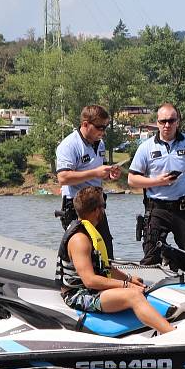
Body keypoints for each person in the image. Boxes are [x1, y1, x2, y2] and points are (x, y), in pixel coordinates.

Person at [56, 186, 175, 334]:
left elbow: (105, 268)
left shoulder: (88, 233)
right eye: (103, 206)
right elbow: (90, 281)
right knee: (134, 296)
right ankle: (173, 334)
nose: (104, 211)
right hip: (78, 296)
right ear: (97, 210)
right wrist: (127, 286)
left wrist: (130, 279)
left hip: (90, 290)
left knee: (145, 288)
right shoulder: (80, 239)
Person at [128, 103, 185, 265]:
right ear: (157, 122)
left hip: (183, 209)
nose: (167, 125)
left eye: (171, 121)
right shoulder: (146, 147)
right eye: (163, 121)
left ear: (177, 122)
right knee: (151, 257)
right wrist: (159, 181)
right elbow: (132, 179)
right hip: (157, 209)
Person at [56, 104, 120, 258]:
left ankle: (107, 279)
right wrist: (95, 173)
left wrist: (107, 174)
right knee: (83, 251)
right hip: (76, 206)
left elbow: (96, 173)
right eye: (99, 127)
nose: (103, 132)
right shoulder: (69, 145)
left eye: (105, 127)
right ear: (85, 124)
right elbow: (63, 178)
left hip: (97, 205)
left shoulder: (100, 144)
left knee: (105, 250)